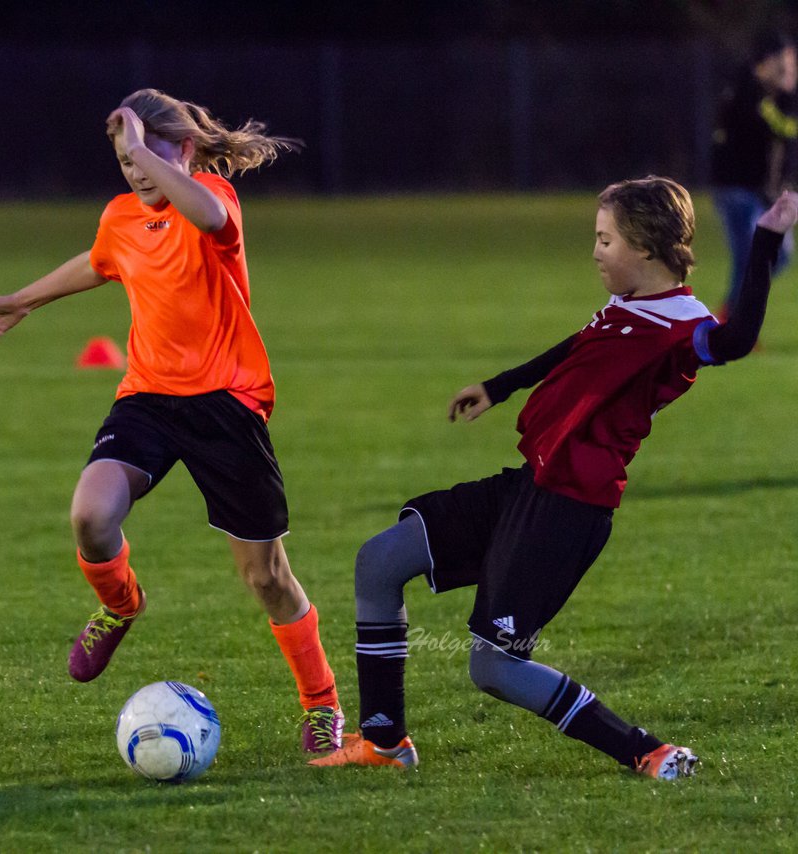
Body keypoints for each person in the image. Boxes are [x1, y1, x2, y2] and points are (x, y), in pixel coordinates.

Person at [312, 178, 798, 778]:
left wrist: (766, 240)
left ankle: (647, 751)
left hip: (568, 512)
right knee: (378, 562)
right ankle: (385, 744)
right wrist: (501, 385)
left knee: (493, 667)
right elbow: (577, 347)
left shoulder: (683, 325)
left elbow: (737, 339)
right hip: (530, 486)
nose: (595, 251)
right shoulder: (627, 307)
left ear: (645, 248)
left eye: (605, 239)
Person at [0, 89, 343, 752]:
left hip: (228, 405)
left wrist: (147, 150)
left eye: (146, 156)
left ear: (187, 151)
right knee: (90, 515)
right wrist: (23, 301)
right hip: (148, 397)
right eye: (124, 161)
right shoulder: (121, 216)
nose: (136, 172)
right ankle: (120, 604)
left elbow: (201, 213)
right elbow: (99, 261)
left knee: (266, 577)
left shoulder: (213, 200)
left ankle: (321, 704)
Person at [711, 32, 798, 318]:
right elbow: (780, 128)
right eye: (784, 64)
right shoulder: (748, 88)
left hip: (758, 191)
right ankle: (732, 320)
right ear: (768, 61)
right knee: (750, 256)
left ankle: (731, 313)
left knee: (778, 254)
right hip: (736, 189)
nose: (789, 71)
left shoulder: (770, 95)